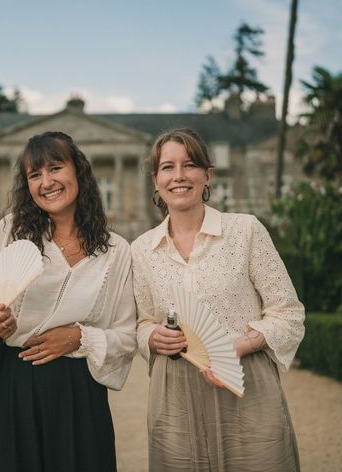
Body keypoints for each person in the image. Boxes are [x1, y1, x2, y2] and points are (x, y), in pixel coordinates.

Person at [0, 131, 137, 472]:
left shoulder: (115, 251)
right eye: (34, 175)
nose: (46, 182)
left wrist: (78, 337)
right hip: (14, 386)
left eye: (55, 168)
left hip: (79, 391)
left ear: (78, 172)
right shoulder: (12, 232)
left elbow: (126, 337)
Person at [132, 128, 305, 471]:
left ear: (207, 175)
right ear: (156, 180)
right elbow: (140, 321)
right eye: (167, 167)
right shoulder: (141, 250)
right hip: (175, 392)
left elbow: (288, 313)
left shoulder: (246, 230)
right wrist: (152, 336)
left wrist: (237, 346)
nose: (179, 176)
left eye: (190, 165)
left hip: (246, 380)